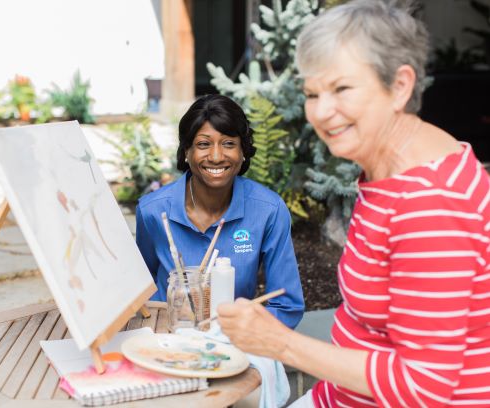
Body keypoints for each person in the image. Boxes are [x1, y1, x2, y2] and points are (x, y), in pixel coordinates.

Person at [217, 1, 490, 407]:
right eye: (312, 93)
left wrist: (279, 343)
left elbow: (424, 386)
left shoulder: (429, 202)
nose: (322, 112)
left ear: (399, 86)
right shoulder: (389, 167)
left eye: (342, 88)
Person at [135, 94, 305, 328]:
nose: (216, 156)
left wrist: (239, 336)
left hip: (237, 342)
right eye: (204, 144)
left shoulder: (268, 211)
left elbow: (287, 306)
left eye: (228, 144)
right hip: (168, 338)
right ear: (186, 151)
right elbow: (140, 290)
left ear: (243, 151)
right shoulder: (152, 211)